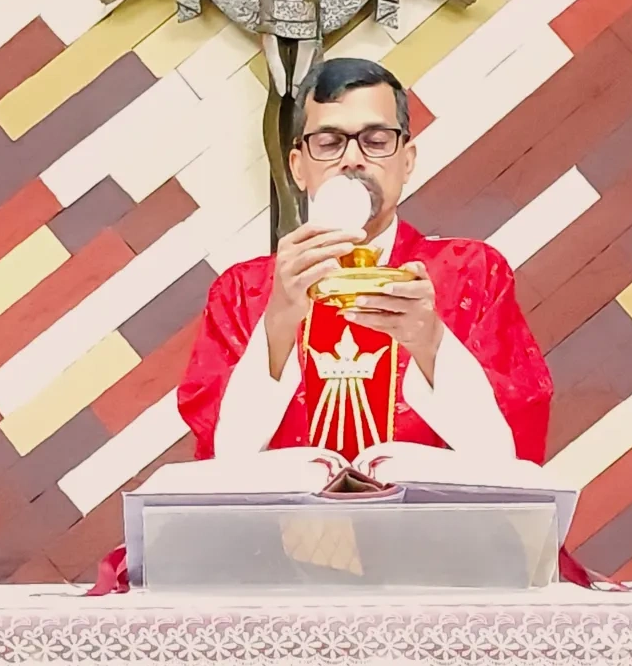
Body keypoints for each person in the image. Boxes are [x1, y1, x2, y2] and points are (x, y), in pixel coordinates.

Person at [177, 58, 553, 464]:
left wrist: (432, 345)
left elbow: (513, 450)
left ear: (407, 161)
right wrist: (278, 325)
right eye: (329, 142)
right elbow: (220, 460)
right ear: (298, 168)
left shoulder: (472, 273)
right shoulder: (242, 292)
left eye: (375, 141)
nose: (352, 159)